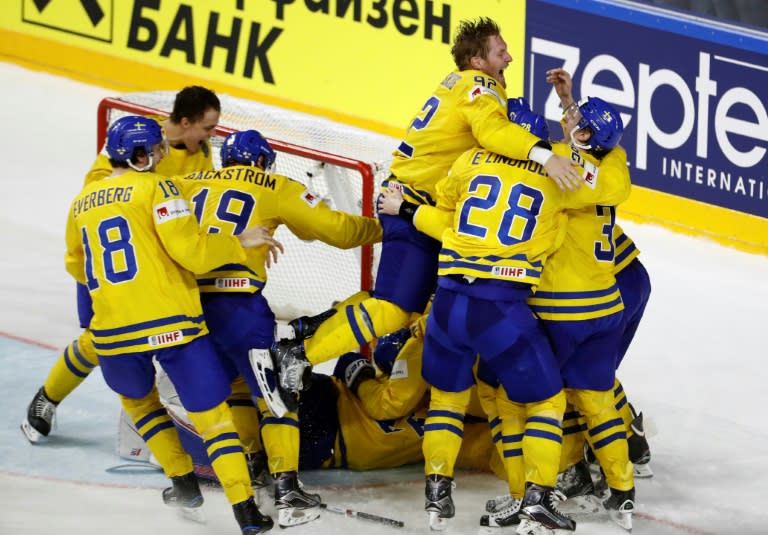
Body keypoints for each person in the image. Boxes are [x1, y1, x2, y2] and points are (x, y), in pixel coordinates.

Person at [269, 17, 586, 398]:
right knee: (393, 309)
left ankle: (310, 330)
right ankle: (299, 355)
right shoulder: (479, 86)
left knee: (406, 302)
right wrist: (544, 156)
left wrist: (567, 104)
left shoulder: (462, 85)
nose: (510, 58)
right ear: (477, 61)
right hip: (412, 203)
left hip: (415, 199)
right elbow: (492, 132)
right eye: (501, 52)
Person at [378, 107, 630, 532]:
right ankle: (537, 500)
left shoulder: (468, 160)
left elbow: (447, 215)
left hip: (449, 303)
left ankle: (437, 495)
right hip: (502, 308)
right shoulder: (557, 174)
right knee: (547, 401)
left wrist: (406, 210)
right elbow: (612, 188)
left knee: (447, 399)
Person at [63, 115, 281, 533]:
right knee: (213, 417)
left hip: (112, 328)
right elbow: (193, 254)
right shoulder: (158, 187)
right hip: (171, 320)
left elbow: (77, 265)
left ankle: (182, 482)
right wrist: (237, 242)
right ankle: (245, 511)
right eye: (156, 150)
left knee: (140, 403)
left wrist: (101, 312)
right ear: (139, 155)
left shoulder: (81, 200)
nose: (163, 155)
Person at [175, 129, 383, 527]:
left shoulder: (188, 183)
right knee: (278, 394)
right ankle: (287, 490)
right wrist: (382, 229)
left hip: (191, 308)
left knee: (235, 389)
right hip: (241, 311)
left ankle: (253, 467)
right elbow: (336, 229)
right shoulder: (274, 185)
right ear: (263, 163)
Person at [22, 86, 222, 443]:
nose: (212, 137)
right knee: (98, 342)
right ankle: (47, 398)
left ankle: (156, 426)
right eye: (207, 128)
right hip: (111, 262)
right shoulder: (126, 151)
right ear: (186, 122)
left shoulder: (201, 150)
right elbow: (96, 206)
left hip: (160, 262)